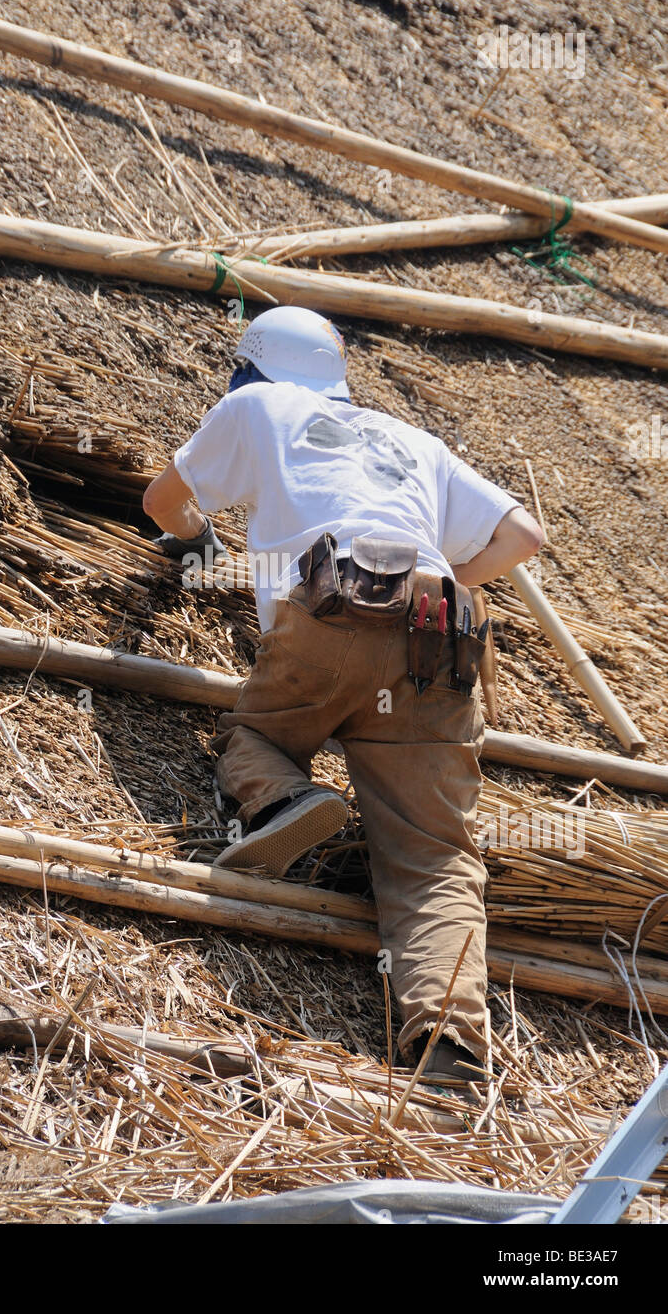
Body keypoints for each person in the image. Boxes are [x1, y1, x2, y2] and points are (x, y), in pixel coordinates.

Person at [143, 306, 543, 1083]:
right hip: (444, 632)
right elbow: (524, 536)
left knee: (252, 740)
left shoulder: (254, 405)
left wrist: (196, 541)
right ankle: (447, 1044)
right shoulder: (415, 441)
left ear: (249, 369)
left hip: (331, 609)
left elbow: (163, 501)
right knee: (432, 858)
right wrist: (430, 593)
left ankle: (287, 801)